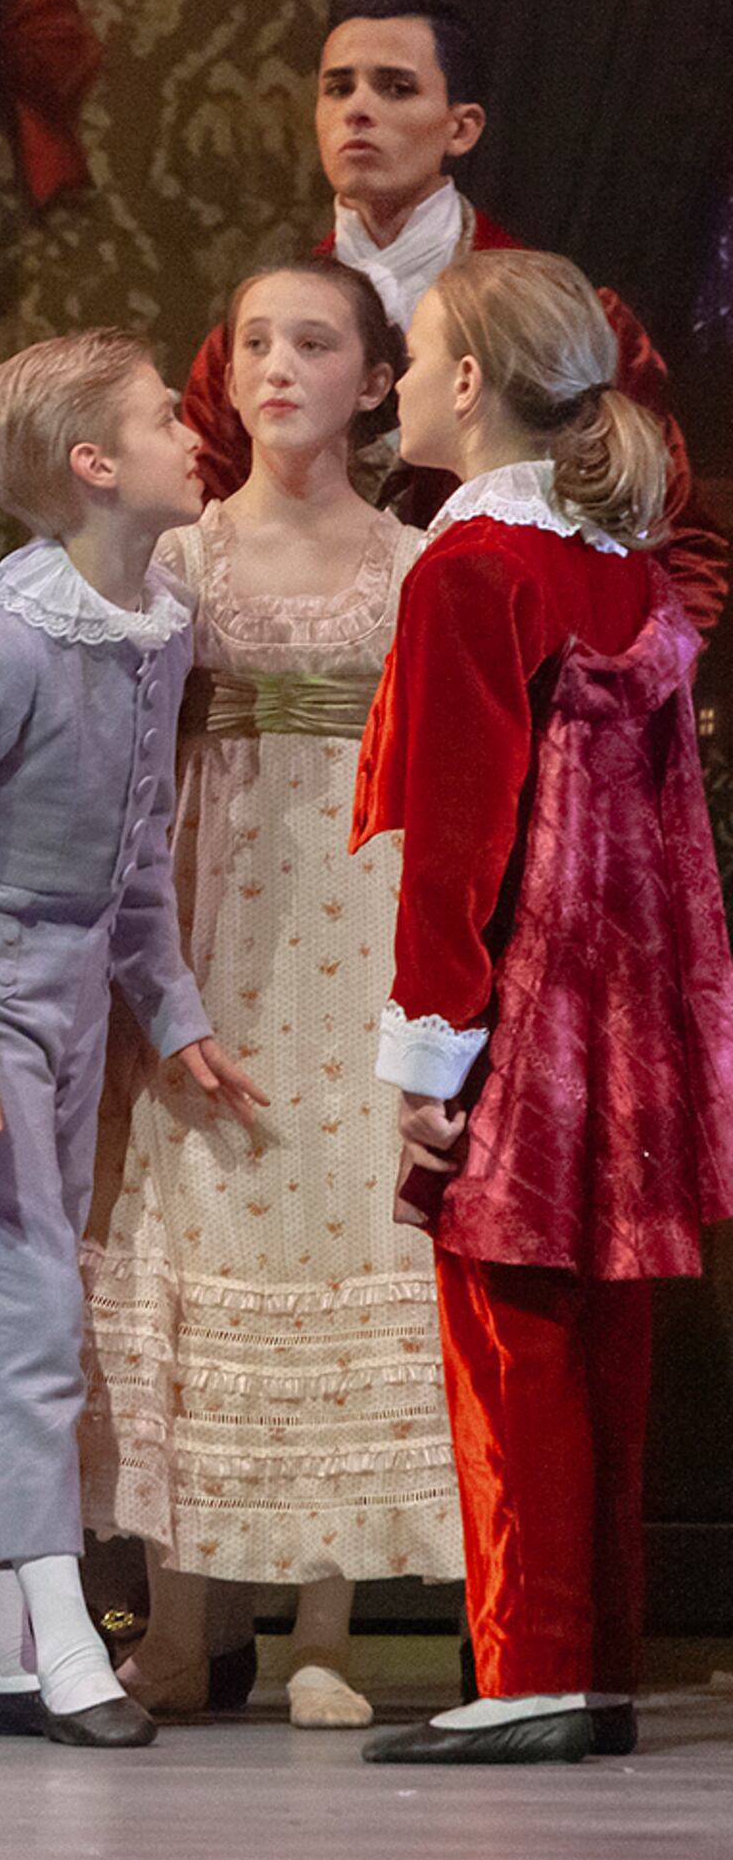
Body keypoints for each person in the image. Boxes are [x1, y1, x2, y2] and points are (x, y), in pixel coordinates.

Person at [0, 331, 261, 1750]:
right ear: (94, 464)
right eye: (162, 417)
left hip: (77, 1000)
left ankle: (0, 1650)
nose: (191, 433)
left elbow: (136, 855)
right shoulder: (0, 644)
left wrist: (179, 1012)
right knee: (26, 1315)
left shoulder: (152, 625)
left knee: (8, 1317)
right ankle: (67, 1634)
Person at [353, 251, 733, 1766]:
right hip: (622, 1014)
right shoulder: (616, 562)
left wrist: (431, 1050)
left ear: (464, 384)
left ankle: (527, 1668)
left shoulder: (474, 566)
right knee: (602, 1343)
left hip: (520, 1012)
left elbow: (459, 830)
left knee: (509, 1334)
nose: (397, 379)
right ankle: (600, 1666)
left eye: (418, 350)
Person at [81, 260, 459, 1730]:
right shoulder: (181, 557)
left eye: (315, 341)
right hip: (211, 904)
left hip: (360, 906)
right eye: (255, 342)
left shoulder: (415, 562)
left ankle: (328, 1620)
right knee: (204, 1210)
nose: (279, 365)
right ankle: (179, 1622)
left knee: (348, 1213)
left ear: (376, 381)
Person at [178, 0, 725, 623]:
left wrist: (604, 698)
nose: (358, 109)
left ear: (461, 127)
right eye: (338, 87)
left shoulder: (573, 320)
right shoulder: (252, 335)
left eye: (395, 87)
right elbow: (188, 523)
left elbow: (677, 545)